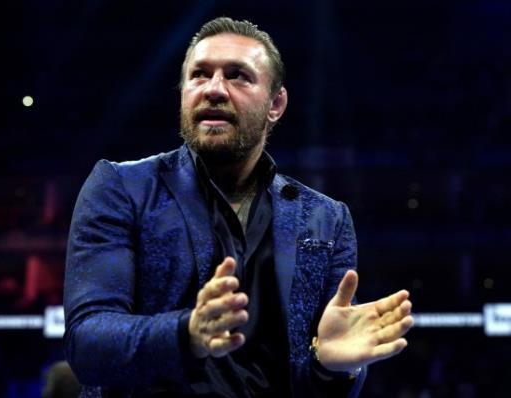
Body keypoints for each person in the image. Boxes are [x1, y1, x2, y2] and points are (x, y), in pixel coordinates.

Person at [63, 17, 414, 398]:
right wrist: (187, 334)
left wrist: (332, 367)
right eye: (199, 75)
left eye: (237, 76)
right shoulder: (121, 188)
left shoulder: (324, 219)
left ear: (276, 103)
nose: (214, 89)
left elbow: (328, 376)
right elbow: (88, 343)